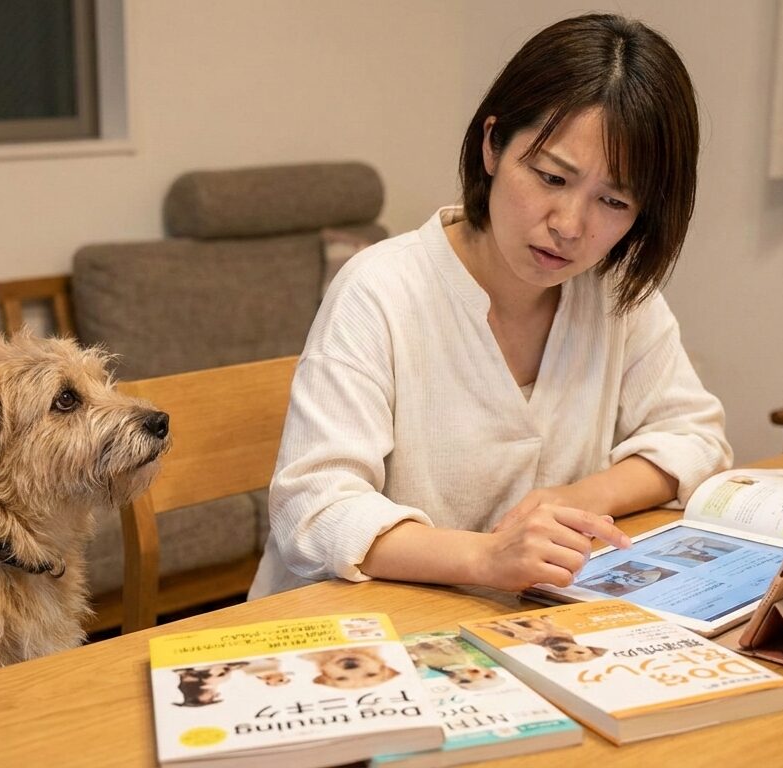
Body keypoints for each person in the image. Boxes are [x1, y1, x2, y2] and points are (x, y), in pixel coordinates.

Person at [248, 13, 731, 599]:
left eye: (613, 200)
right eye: (552, 177)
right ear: (492, 145)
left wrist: (574, 501)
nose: (570, 226)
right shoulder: (381, 288)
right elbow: (315, 509)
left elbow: (696, 438)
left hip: (524, 623)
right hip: (358, 634)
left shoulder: (613, 291)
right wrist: (487, 556)